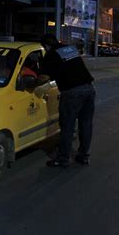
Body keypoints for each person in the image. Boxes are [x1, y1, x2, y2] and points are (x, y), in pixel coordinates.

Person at [38, 34, 95, 168]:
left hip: (72, 92)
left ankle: (63, 158)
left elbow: (43, 78)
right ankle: (83, 156)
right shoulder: (70, 49)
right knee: (86, 125)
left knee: (67, 126)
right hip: (89, 89)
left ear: (46, 46)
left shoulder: (51, 54)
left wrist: (36, 77)